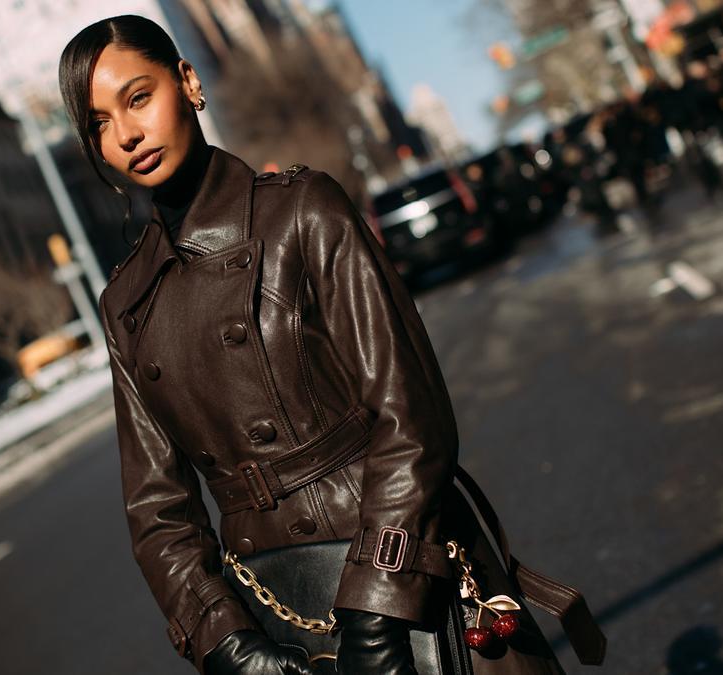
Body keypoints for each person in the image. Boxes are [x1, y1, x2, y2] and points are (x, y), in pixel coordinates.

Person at [59, 15, 602, 674]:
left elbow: (412, 419)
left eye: (138, 97)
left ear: (188, 82)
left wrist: (376, 608)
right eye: (97, 124)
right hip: (279, 615)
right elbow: (158, 511)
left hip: (408, 576)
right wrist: (225, 640)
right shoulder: (126, 302)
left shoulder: (302, 212)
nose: (126, 134)